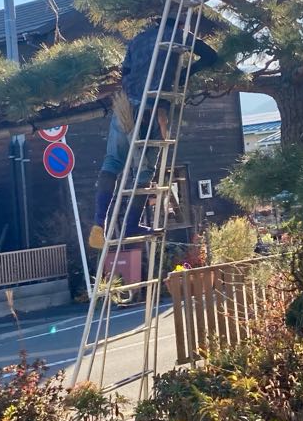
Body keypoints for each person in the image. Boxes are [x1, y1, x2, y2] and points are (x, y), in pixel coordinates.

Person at [89, 17, 221, 249]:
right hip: (153, 110)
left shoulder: (137, 40)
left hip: (125, 107)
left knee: (112, 162)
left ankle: (99, 223)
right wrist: (183, 76)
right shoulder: (178, 35)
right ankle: (131, 224)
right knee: (144, 171)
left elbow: (125, 73)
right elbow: (211, 56)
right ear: (180, 24)